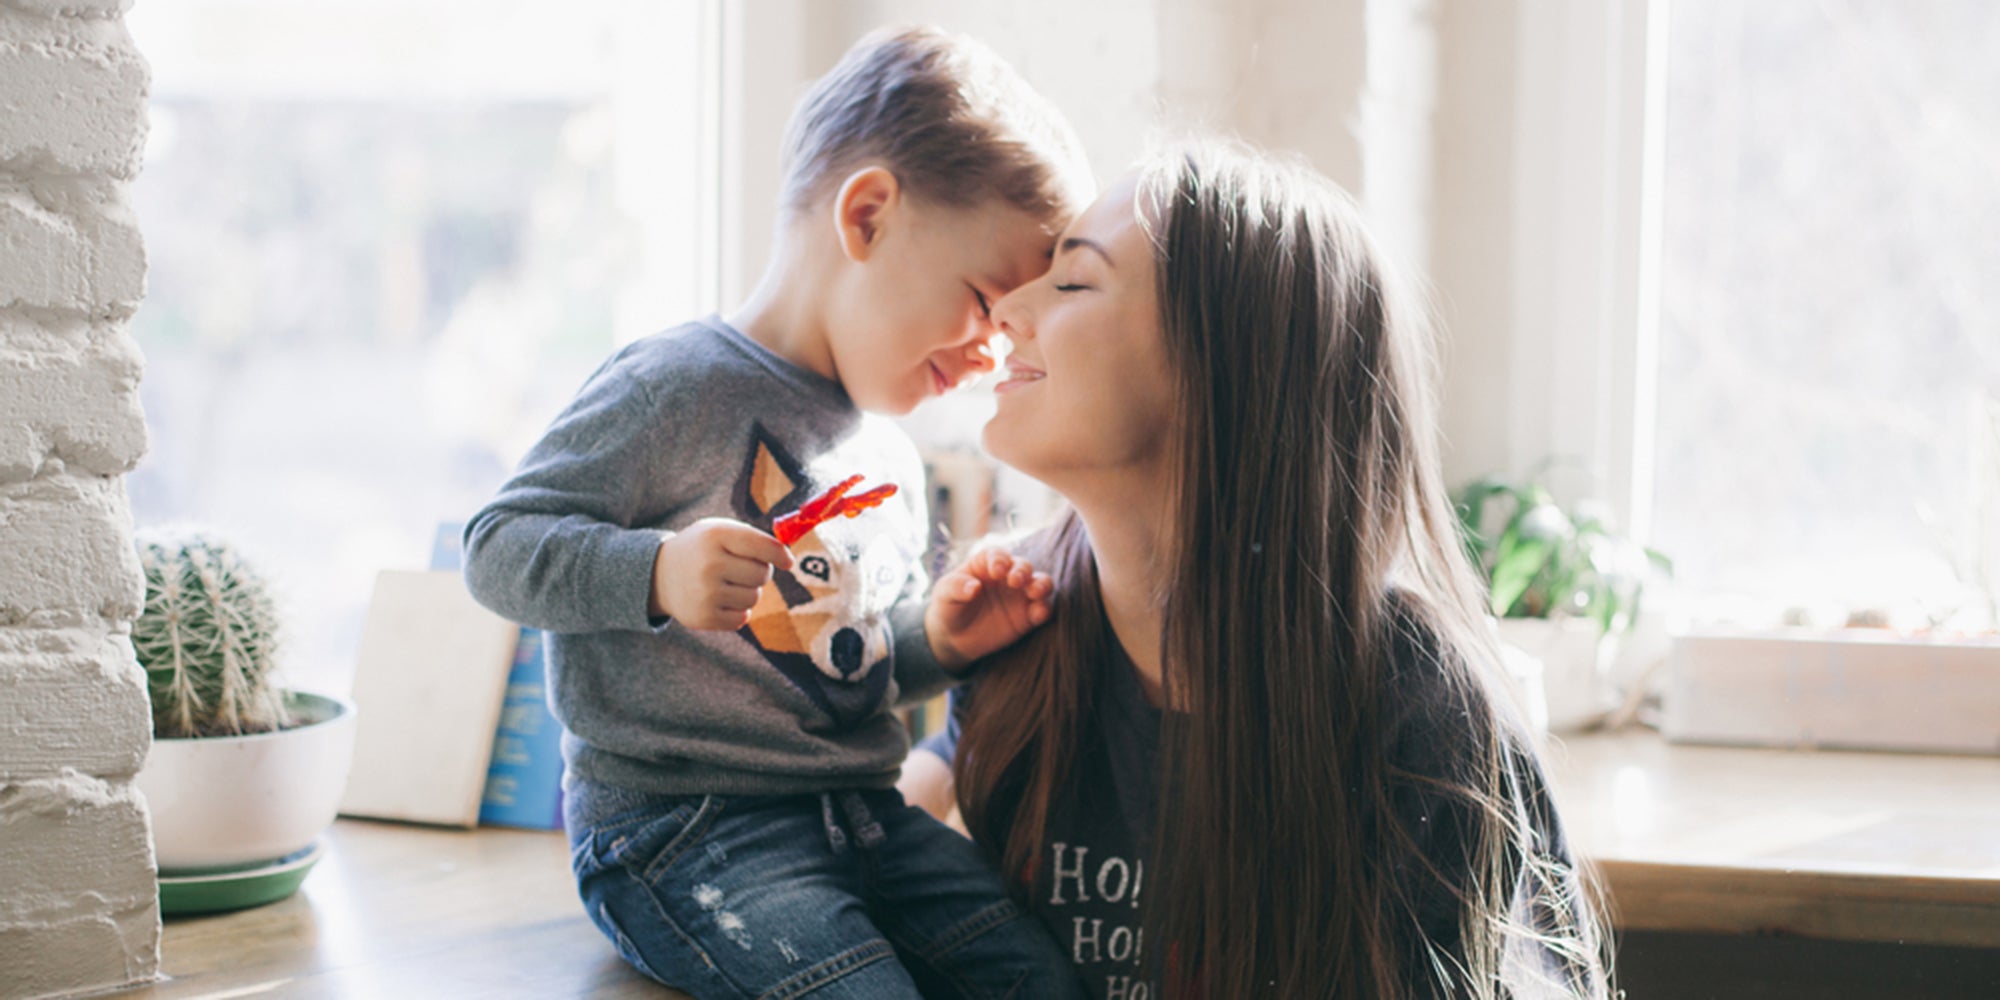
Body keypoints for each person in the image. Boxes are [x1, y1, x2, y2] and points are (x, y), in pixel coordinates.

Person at [464, 26, 1094, 1000]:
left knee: (1039, 981)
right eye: (982, 301)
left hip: (866, 818)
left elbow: (841, 672)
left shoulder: (887, 451)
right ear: (868, 216)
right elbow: (496, 547)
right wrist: (657, 573)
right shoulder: (672, 386)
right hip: (681, 830)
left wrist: (938, 638)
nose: (991, 355)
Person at [900, 141, 1613, 999]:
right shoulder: (1016, 630)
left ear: (1225, 370)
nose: (1006, 310)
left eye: (1074, 282)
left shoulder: (1423, 718)